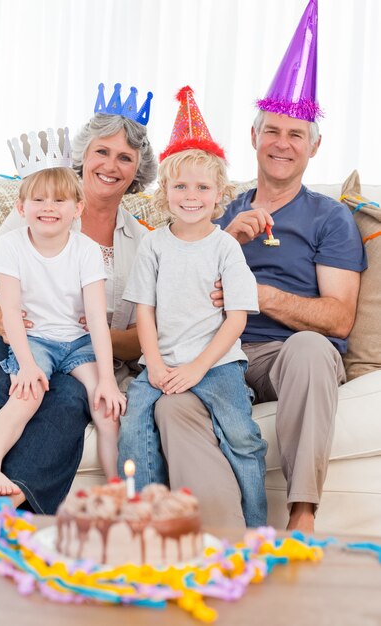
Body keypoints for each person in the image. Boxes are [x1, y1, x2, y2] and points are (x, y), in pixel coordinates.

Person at [154, 1, 367, 532]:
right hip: (215, 351)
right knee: (171, 406)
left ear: (314, 148)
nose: (282, 143)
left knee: (314, 349)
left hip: (287, 353)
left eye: (297, 135)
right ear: (253, 138)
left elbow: (339, 321)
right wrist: (223, 238)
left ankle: (301, 517)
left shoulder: (330, 218)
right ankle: (228, 537)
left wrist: (259, 294)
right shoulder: (211, 204)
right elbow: (173, 287)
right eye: (272, 130)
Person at [0, 82, 157, 513]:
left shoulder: (144, 242)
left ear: (136, 170)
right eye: (101, 151)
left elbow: (144, 335)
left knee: (71, 399)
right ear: (82, 157)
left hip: (84, 351)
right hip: (12, 335)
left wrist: (98, 337)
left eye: (125, 157)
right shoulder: (38, 213)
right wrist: (11, 328)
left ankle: (13, 504)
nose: (111, 165)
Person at [118, 87, 268, 527]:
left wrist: (199, 367)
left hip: (217, 365)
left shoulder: (225, 248)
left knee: (242, 436)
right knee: (133, 429)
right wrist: (158, 365)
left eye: (202, 187)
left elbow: (236, 318)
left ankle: (257, 527)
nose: (191, 195)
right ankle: (146, 524)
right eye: (180, 186)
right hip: (161, 363)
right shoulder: (153, 246)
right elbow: (144, 310)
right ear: (164, 191)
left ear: (220, 192)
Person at [0, 159, 127, 499]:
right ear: (21, 207)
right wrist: (27, 364)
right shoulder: (13, 244)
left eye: (59, 200)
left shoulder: (85, 250)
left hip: (77, 342)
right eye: (39, 200)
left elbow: (97, 319)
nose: (48, 208)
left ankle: (118, 490)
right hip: (36, 339)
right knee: (27, 395)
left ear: (77, 208)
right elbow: (10, 310)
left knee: (104, 405)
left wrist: (107, 380)